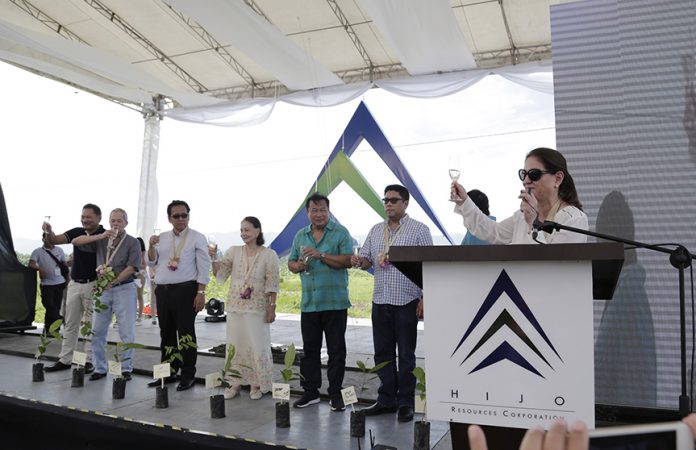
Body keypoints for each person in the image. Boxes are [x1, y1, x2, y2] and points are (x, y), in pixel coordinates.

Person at [351, 184, 433, 423]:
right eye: (385, 200)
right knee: (382, 354)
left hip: (406, 300)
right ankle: (386, 399)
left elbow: (428, 264)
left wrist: (425, 297)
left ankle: (406, 401)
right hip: (380, 299)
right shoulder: (376, 230)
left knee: (406, 355)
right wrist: (359, 260)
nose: (388, 204)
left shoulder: (419, 230)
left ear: (405, 203)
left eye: (393, 200)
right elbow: (367, 260)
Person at [288, 193, 353, 411]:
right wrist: (297, 266)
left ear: (328, 210)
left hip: (335, 302)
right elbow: (291, 262)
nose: (318, 214)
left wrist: (320, 255)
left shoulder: (340, 233)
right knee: (309, 350)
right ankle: (310, 392)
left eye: (322, 210)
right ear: (307, 213)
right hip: (310, 302)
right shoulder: (300, 235)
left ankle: (335, 394)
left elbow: (347, 261)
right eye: (314, 210)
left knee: (336, 351)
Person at [451, 147, 588, 244]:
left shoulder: (574, 219)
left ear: (557, 179)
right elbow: (493, 232)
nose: (526, 181)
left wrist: (533, 224)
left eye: (534, 174)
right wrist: (465, 202)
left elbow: (554, 266)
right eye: (523, 174)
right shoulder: (521, 216)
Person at [210, 216, 279, 400]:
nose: (243, 234)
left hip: (257, 308)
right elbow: (220, 274)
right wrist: (213, 257)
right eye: (241, 230)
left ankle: (257, 384)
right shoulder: (233, 252)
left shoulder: (268, 255)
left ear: (258, 231)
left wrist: (272, 307)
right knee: (235, 344)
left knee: (257, 344)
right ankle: (235, 382)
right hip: (235, 308)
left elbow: (272, 284)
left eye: (247, 230)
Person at [71, 208, 141, 381]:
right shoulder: (102, 240)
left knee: (126, 330)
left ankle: (126, 368)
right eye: (113, 221)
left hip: (124, 288)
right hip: (103, 289)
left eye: (119, 221)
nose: (115, 224)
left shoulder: (133, 242)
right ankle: (99, 367)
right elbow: (76, 241)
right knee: (97, 330)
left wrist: (114, 281)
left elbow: (132, 267)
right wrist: (100, 236)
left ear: (126, 222)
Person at [147, 200, 210, 391]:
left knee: (186, 333)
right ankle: (166, 373)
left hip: (186, 290)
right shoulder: (162, 238)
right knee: (166, 333)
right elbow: (152, 262)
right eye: (177, 216)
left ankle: (188, 374)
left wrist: (201, 292)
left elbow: (204, 266)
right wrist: (150, 245)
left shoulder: (197, 237)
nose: (181, 219)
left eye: (185, 215)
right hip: (164, 290)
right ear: (169, 218)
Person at [42, 203, 104, 373]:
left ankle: (89, 361)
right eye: (83, 216)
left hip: (94, 284)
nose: (85, 220)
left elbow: (79, 242)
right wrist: (49, 231)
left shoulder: (104, 234)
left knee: (91, 325)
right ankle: (65, 359)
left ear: (99, 218)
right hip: (74, 283)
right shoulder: (77, 230)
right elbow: (54, 241)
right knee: (70, 323)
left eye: (89, 217)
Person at [29, 234, 67, 332]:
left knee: (56, 305)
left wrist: (68, 279)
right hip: (46, 283)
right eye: (46, 238)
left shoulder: (59, 250)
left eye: (51, 238)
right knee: (48, 304)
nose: (49, 240)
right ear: (43, 239)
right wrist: (39, 269)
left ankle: (51, 330)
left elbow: (64, 265)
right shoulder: (37, 251)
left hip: (60, 282)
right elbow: (31, 264)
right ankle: (59, 318)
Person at [135, 237, 147, 323]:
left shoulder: (143, 253)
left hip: (140, 275)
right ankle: (133, 314)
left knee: (139, 295)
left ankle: (139, 315)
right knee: (132, 296)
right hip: (133, 275)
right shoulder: (133, 251)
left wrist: (136, 264)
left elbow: (144, 265)